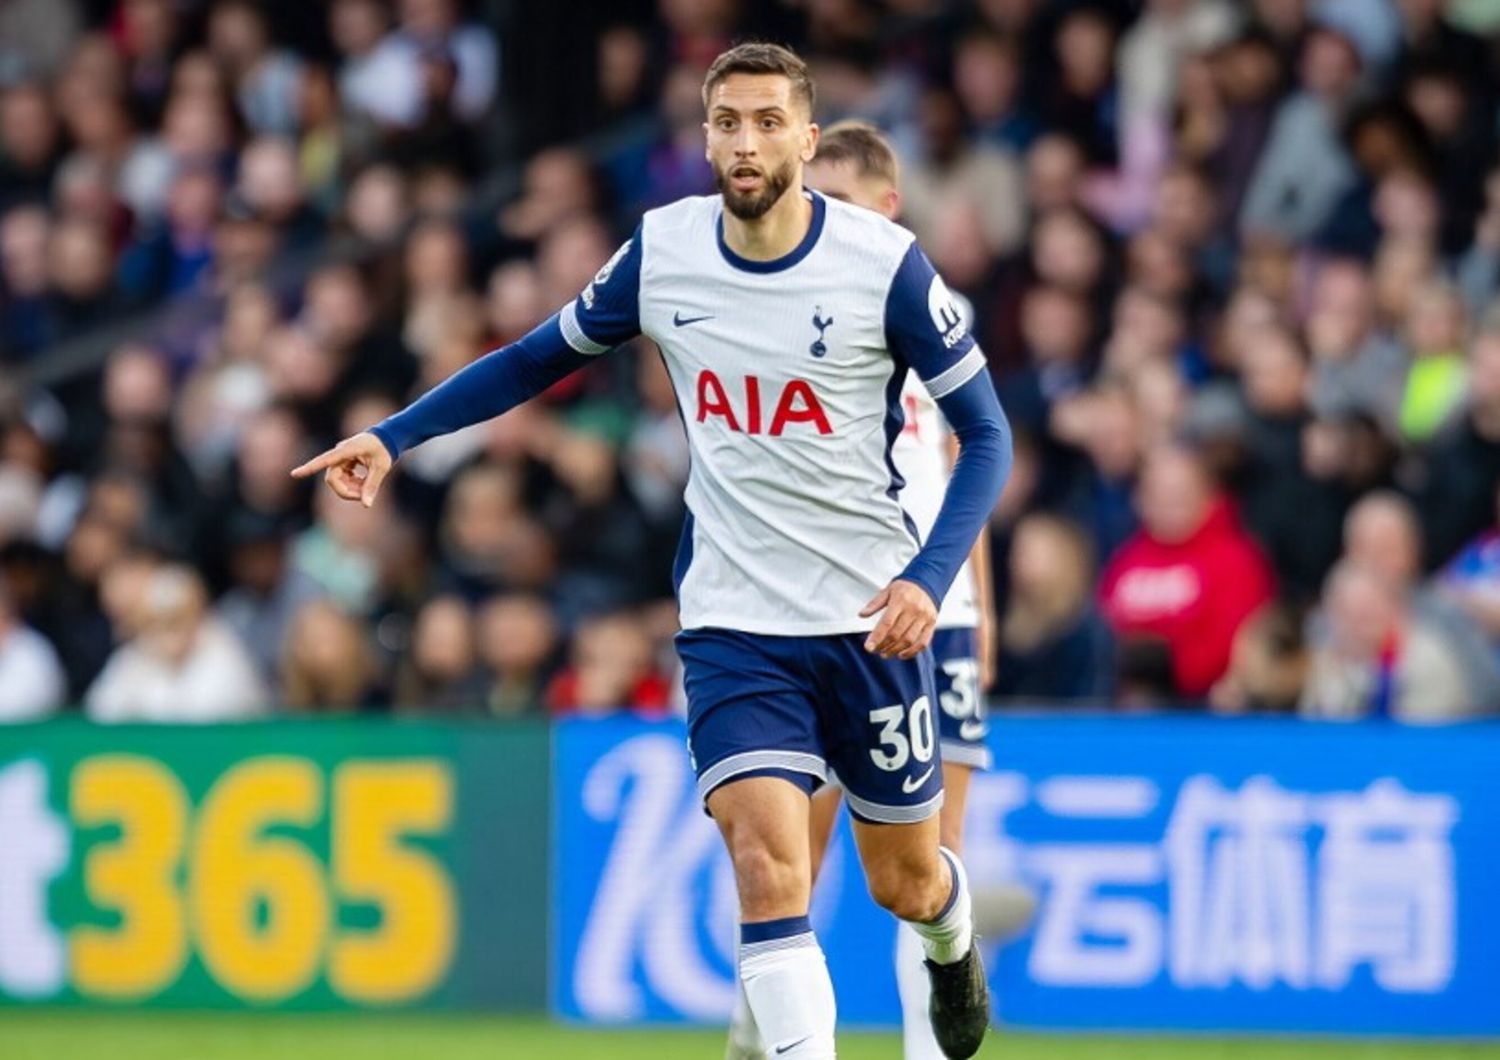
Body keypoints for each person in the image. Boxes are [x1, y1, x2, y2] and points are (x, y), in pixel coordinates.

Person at [294, 44, 1011, 1059]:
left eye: (769, 121)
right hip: (732, 622)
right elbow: (535, 357)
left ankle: (951, 932)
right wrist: (394, 434)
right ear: (705, 137)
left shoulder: (883, 266)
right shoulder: (663, 252)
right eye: (728, 122)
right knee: (770, 869)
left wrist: (928, 581)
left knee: (907, 878)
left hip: (869, 620)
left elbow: (987, 436)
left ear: (806, 139)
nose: (747, 141)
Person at [705, 119, 998, 1060]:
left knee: (925, 858)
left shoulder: (917, 294)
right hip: (824, 608)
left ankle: (928, 1046)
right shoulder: (789, 301)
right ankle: (759, 1034)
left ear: (889, 206)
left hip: (932, 607)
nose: (817, 217)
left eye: (837, 198)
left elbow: (968, 457)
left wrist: (974, 607)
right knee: (796, 848)